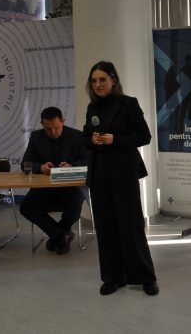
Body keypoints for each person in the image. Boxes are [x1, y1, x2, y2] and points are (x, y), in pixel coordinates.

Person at [83, 60, 158, 296]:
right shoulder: (92, 107)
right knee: (105, 228)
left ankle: (145, 278)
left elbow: (144, 136)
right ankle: (113, 278)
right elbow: (85, 136)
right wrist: (92, 139)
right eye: (94, 81)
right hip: (99, 175)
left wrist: (114, 140)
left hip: (123, 173)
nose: (97, 84)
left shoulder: (128, 104)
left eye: (102, 80)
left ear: (113, 80)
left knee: (131, 226)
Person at [19, 107, 90, 255]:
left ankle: (57, 235)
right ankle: (60, 235)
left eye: (56, 127)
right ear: (42, 124)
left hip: (71, 187)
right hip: (44, 187)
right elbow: (25, 163)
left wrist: (72, 166)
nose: (53, 132)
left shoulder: (77, 136)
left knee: (74, 207)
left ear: (63, 121)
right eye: (48, 129)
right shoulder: (36, 137)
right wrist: (40, 167)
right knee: (26, 207)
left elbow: (89, 161)